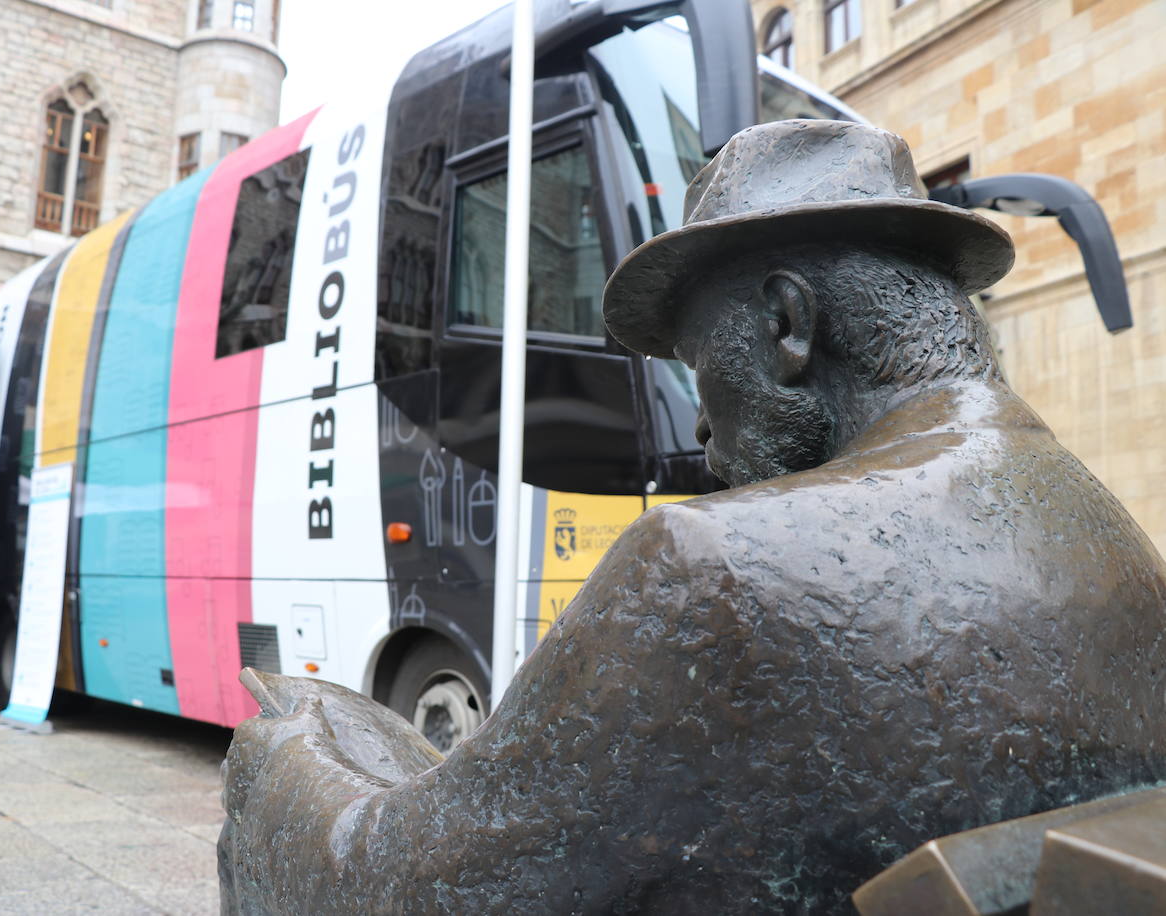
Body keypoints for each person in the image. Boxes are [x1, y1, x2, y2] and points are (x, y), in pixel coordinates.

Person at [218, 120, 1166, 914]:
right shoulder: (1113, 540)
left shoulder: (716, 570)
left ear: (787, 325)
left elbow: (399, 890)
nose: (703, 422)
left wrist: (290, 749)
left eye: (699, 361)